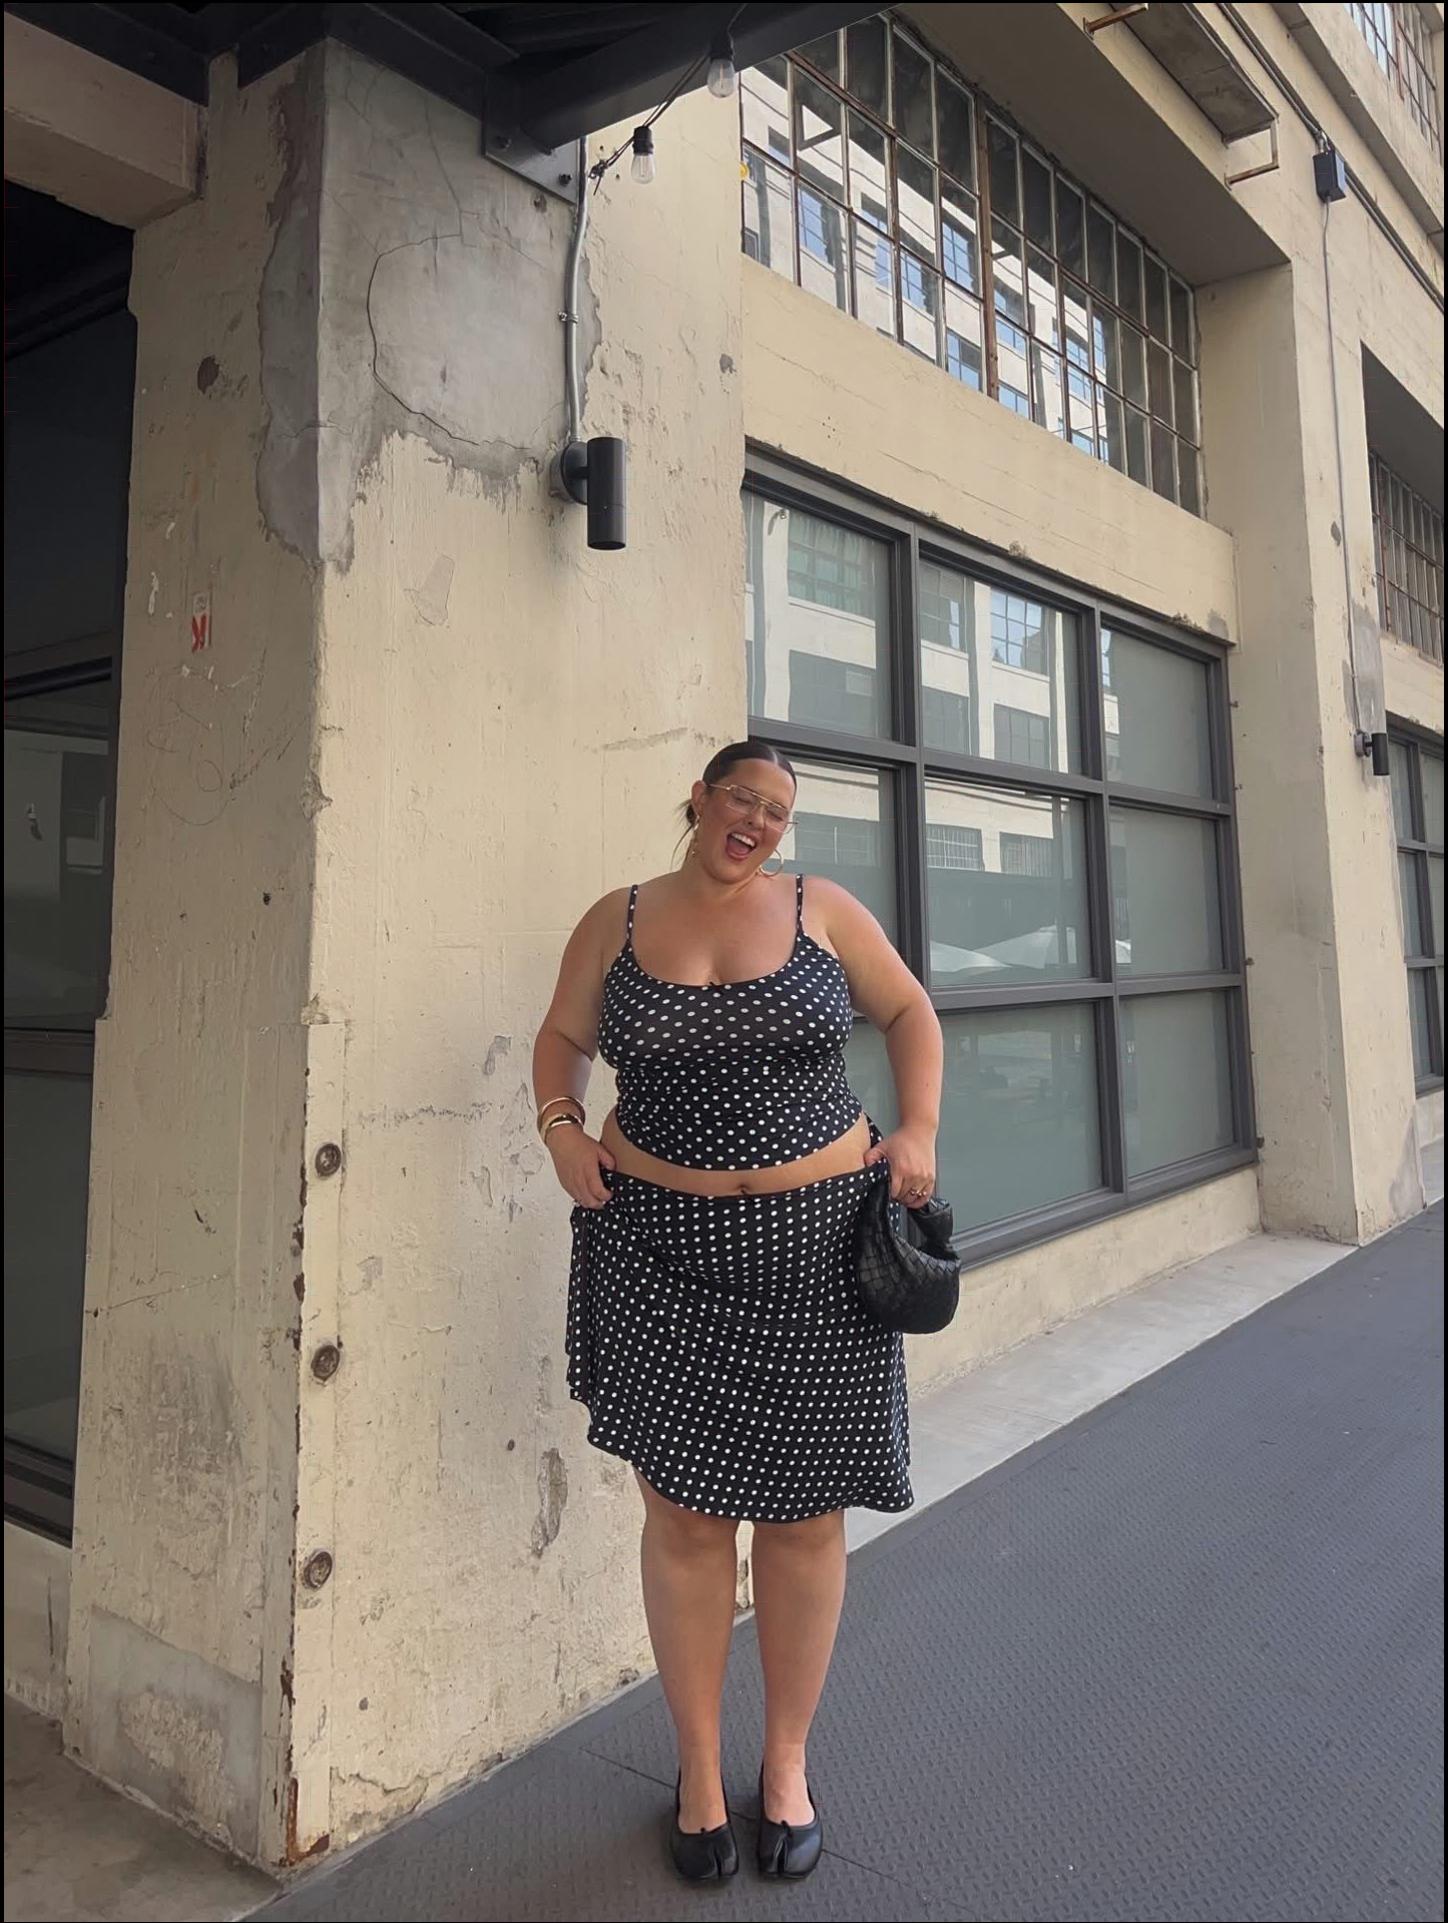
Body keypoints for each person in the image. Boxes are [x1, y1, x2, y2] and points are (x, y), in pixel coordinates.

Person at [532, 739, 943, 1882]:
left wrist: (918, 1127)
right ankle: (700, 1770)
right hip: (658, 1256)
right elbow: (560, 1040)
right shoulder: (613, 921)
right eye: (741, 798)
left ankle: (788, 1761)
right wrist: (560, 1127)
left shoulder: (821, 911)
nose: (756, 822)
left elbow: (909, 1011)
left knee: (806, 1520)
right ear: (700, 798)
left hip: (820, 1257)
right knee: (683, 1521)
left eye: (775, 811)